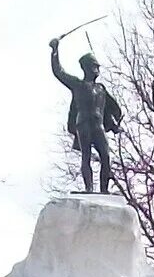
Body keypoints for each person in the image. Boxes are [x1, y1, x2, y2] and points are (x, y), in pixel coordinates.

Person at [49, 38, 122, 194]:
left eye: (98, 67)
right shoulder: (78, 85)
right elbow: (59, 72)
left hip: (98, 125)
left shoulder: (101, 89)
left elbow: (110, 110)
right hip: (83, 124)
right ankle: (89, 188)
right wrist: (55, 51)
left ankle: (104, 190)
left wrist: (115, 124)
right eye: (95, 66)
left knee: (106, 156)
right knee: (86, 156)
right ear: (87, 67)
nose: (97, 69)